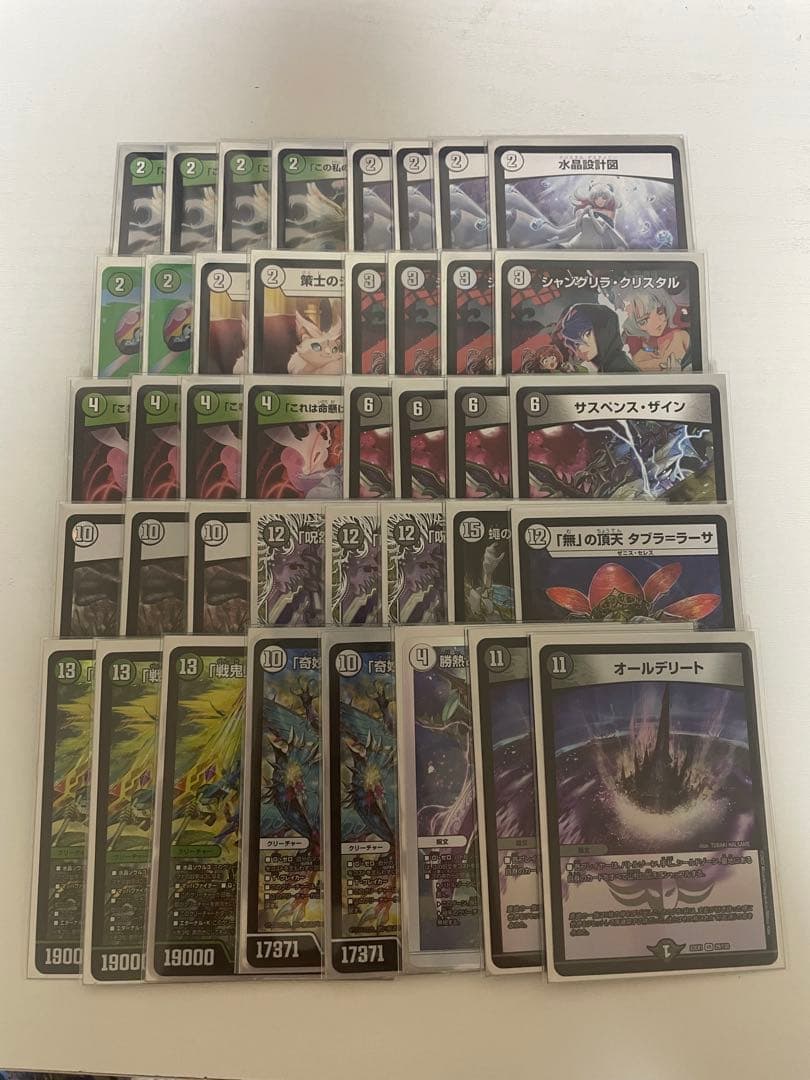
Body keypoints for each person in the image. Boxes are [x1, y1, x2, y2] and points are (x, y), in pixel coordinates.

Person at [556, 303, 638, 372]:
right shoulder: (606, 365)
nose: (580, 347)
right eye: (575, 343)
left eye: (587, 334)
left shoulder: (620, 367)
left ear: (604, 331)